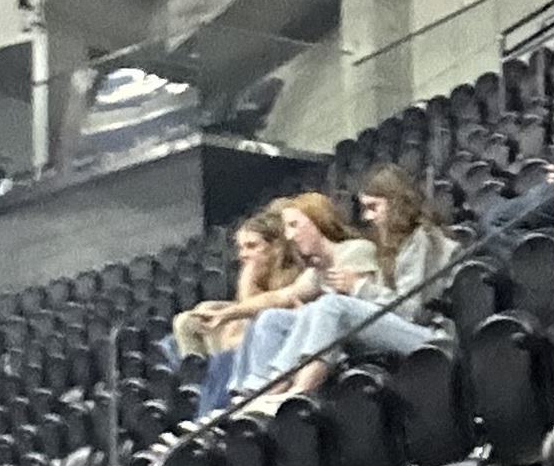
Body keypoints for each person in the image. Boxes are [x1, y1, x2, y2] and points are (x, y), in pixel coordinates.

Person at [277, 166, 459, 396]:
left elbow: (413, 311)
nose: (367, 217)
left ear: (397, 203)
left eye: (373, 207)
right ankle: (271, 389)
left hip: (434, 339)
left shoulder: (424, 240)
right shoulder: (392, 247)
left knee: (332, 306)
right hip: (409, 332)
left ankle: (300, 391)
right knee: (314, 310)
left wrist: (358, 287)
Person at [225, 190, 375, 401]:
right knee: (271, 317)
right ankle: (254, 390)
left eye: (294, 225)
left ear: (316, 222)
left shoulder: (356, 249)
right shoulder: (316, 269)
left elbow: (360, 307)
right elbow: (282, 296)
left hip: (360, 332)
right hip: (329, 328)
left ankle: (289, 394)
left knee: (325, 307)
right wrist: (228, 314)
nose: (288, 236)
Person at [174, 210, 296, 415]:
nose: (243, 255)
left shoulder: (290, 277)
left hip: (276, 349)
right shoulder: (256, 275)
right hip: (239, 346)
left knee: (226, 357)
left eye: (252, 246)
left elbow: (247, 325)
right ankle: (197, 383)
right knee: (190, 320)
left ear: (276, 247)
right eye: (240, 248)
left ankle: (212, 413)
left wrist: (247, 280)